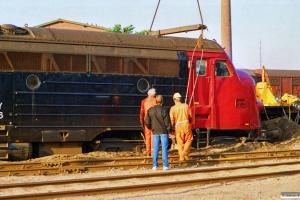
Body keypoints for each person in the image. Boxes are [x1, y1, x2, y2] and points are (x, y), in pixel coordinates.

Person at [145, 95, 172, 170]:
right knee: (164, 148)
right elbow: (167, 122)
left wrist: (151, 127)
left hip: (155, 132)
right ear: (162, 101)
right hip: (164, 132)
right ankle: (165, 165)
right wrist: (169, 131)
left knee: (155, 148)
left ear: (155, 101)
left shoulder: (150, 110)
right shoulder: (164, 110)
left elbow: (146, 122)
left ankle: (155, 166)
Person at [169, 92, 193, 161]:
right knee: (189, 139)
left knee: (180, 143)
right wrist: (189, 122)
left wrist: (171, 128)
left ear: (175, 100)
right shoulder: (186, 106)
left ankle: (182, 158)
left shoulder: (172, 108)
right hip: (186, 125)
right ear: (180, 99)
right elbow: (190, 117)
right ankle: (185, 152)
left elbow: (172, 120)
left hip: (178, 127)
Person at [140, 88, 156, 156]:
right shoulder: (156, 100)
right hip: (154, 121)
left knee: (148, 136)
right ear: (154, 94)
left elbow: (141, 113)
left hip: (146, 121)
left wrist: (141, 122)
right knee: (153, 136)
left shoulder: (144, 101)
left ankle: (148, 152)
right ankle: (153, 152)